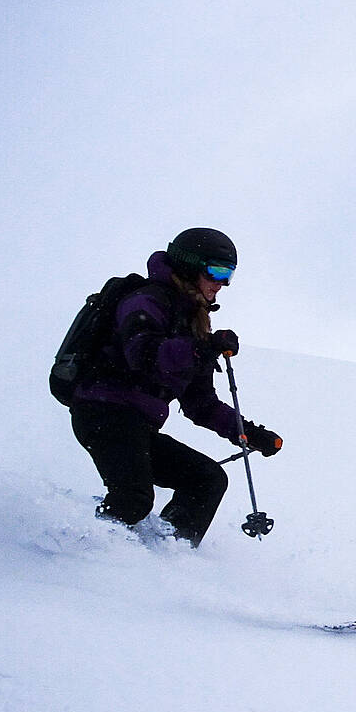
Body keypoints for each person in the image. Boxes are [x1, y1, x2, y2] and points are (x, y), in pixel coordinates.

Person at [68, 227, 283, 546]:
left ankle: (165, 554)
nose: (222, 283)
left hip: (137, 426)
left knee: (207, 479)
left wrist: (248, 432)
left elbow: (201, 404)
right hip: (103, 413)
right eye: (218, 271)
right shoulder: (146, 300)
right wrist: (203, 348)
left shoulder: (192, 322)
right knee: (133, 498)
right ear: (190, 265)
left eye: (230, 274)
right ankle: (80, 552)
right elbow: (142, 354)